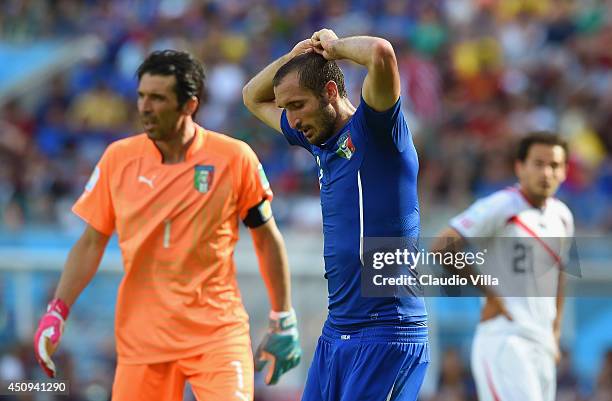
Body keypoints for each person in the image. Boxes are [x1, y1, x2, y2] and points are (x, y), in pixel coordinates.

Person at [33, 50, 302, 401]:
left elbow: (267, 239)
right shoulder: (119, 159)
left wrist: (283, 316)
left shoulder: (234, 158)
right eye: (142, 96)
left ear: (189, 105)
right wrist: (58, 309)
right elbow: (90, 243)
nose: (145, 107)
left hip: (216, 334)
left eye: (158, 98)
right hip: (143, 340)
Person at [243, 29, 429, 401]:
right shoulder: (319, 141)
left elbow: (380, 52)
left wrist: (333, 47)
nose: (291, 121)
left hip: (387, 331)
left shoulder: (377, 131)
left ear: (330, 92)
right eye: (287, 108)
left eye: (297, 105)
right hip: (337, 331)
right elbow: (252, 96)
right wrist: (294, 56)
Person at [431, 133, 574, 401]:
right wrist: (491, 293)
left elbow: (560, 275)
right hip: (506, 340)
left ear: (564, 171)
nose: (546, 172)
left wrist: (555, 332)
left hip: (541, 345)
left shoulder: (562, 217)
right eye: (538, 163)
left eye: (554, 165)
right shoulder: (501, 206)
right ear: (520, 167)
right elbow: (442, 246)